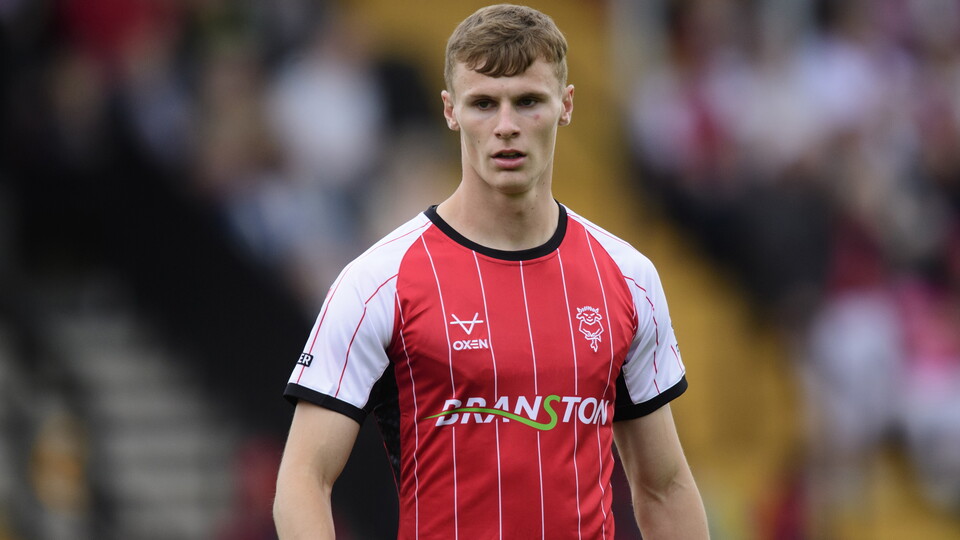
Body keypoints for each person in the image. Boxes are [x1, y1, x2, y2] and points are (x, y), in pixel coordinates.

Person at [273, 4, 708, 539]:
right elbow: (302, 479)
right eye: (484, 103)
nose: (506, 126)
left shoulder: (628, 278)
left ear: (565, 106)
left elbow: (664, 486)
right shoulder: (378, 283)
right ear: (450, 110)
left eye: (528, 101)